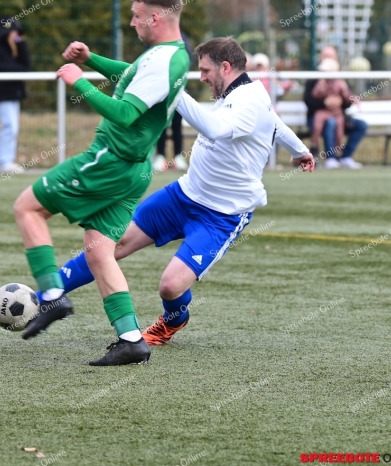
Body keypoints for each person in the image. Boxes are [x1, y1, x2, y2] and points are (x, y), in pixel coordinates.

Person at [49, 37, 314, 347]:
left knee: (170, 287)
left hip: (222, 215)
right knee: (109, 243)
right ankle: (48, 293)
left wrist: (173, 92)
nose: (200, 77)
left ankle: (173, 320)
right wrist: (300, 150)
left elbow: (216, 129)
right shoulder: (244, 92)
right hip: (183, 196)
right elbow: (275, 123)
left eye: (204, 71)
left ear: (225, 67)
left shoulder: (250, 101)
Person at [13, 0, 190, 366]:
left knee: (27, 208)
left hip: (110, 160)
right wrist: (93, 60)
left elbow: (126, 113)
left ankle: (50, 295)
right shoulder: (170, 55)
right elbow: (131, 74)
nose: (132, 23)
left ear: (155, 17)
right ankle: (131, 339)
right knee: (98, 250)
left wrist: (79, 81)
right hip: (135, 169)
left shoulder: (161, 60)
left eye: (136, 15)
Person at [303, 46, 367, 169]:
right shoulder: (314, 77)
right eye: (325, 56)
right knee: (330, 123)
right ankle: (329, 157)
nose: (328, 59)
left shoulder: (341, 79)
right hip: (317, 116)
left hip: (339, 115)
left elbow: (347, 99)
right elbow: (309, 100)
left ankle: (345, 157)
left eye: (331, 56)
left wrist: (340, 101)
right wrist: (325, 102)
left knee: (361, 125)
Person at [0, 16, 30, 173]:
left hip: (13, 95)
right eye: (12, 32)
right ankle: (4, 161)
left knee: (13, 127)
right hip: (2, 96)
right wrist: (17, 69)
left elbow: (26, 66)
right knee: (10, 126)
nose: (15, 35)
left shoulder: (14, 49)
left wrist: (20, 43)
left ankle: (6, 160)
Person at [152, 29, 194, 172]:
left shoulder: (182, 37)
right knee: (160, 124)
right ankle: (160, 157)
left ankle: (178, 157)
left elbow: (189, 60)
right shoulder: (155, 36)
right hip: (160, 91)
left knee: (177, 125)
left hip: (178, 90)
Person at [309, 58, 356, 156]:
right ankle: (314, 144)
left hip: (336, 112)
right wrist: (325, 101)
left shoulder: (340, 83)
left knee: (339, 128)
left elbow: (347, 96)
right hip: (323, 111)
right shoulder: (321, 82)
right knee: (318, 124)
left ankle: (338, 151)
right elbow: (314, 95)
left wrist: (350, 99)